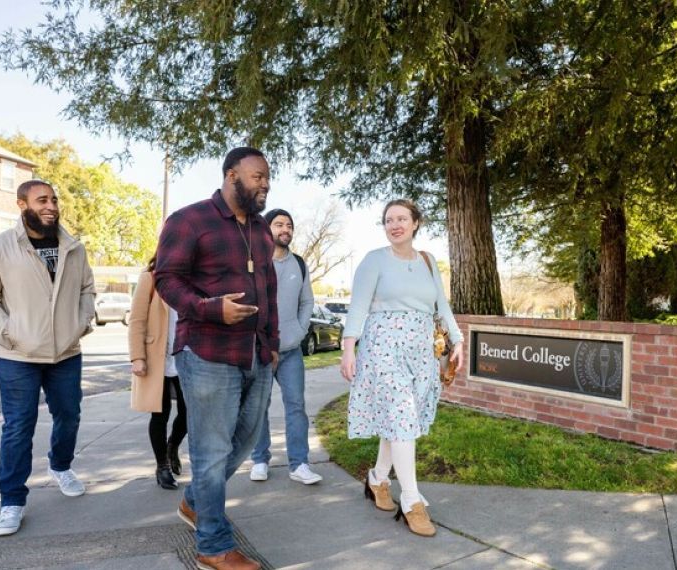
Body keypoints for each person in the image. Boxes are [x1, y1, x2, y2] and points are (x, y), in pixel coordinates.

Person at [153, 147, 279, 570]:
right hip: (207, 352)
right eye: (257, 176)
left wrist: (273, 343)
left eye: (267, 177)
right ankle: (212, 545)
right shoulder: (189, 220)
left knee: (243, 441)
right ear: (231, 175)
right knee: (210, 451)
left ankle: (194, 502)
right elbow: (166, 279)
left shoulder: (261, 229)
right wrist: (211, 308)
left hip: (257, 354)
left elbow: (270, 289)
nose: (264, 183)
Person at [0, 179, 95, 537]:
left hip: (66, 353)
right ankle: (11, 501)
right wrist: (9, 332)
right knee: (18, 427)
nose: (51, 205)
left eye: (54, 199)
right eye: (42, 200)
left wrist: (82, 321)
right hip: (16, 356)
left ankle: (61, 466)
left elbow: (87, 288)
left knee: (69, 416)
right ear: (22, 204)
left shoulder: (74, 248)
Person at [339, 199, 464, 538]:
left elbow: (442, 304)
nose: (395, 224)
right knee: (403, 417)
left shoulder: (427, 261)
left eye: (402, 219)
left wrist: (458, 339)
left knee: (400, 420)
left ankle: (378, 478)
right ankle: (411, 501)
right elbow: (358, 308)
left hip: (420, 351)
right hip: (383, 348)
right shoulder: (374, 260)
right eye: (389, 220)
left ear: (415, 223)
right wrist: (348, 349)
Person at [249, 209, 322, 485]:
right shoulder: (255, 262)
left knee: (296, 406)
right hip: (261, 350)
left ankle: (299, 464)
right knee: (259, 407)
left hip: (291, 350)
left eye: (289, 225)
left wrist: (301, 330)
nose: (285, 229)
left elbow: (307, 302)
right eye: (279, 224)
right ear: (267, 229)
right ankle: (259, 460)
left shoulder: (299, 264)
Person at [128, 255, 188, 490]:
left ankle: (172, 445)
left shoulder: (193, 277)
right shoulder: (150, 278)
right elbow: (136, 320)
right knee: (160, 414)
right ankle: (162, 466)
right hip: (157, 357)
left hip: (185, 354)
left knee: (189, 413)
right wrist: (138, 357)